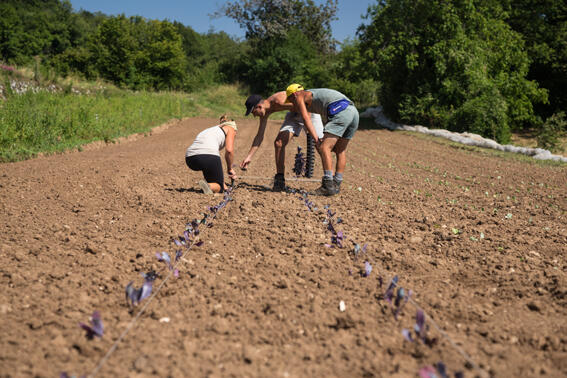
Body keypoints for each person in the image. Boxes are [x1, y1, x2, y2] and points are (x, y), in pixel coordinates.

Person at [284, 84, 359, 196]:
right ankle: (336, 184)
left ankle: (328, 185)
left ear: (294, 94)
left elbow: (306, 119)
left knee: (324, 147)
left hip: (341, 112)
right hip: (353, 112)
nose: (292, 103)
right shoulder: (313, 94)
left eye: (290, 99)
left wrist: (316, 139)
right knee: (340, 150)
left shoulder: (300, 96)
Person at [242, 92, 324, 191]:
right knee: (279, 143)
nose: (254, 116)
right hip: (294, 114)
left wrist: (309, 128)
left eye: (253, 112)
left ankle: (330, 180)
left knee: (321, 146)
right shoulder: (265, 112)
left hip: (309, 112)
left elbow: (306, 104)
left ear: (259, 106)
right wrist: (249, 157)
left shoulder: (279, 101)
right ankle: (280, 180)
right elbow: (259, 136)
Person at [185, 115, 238, 194]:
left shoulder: (211, 130)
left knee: (214, 179)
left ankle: (208, 185)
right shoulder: (231, 129)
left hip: (190, 158)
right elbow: (229, 150)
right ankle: (209, 186)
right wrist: (230, 168)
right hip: (207, 156)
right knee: (219, 187)